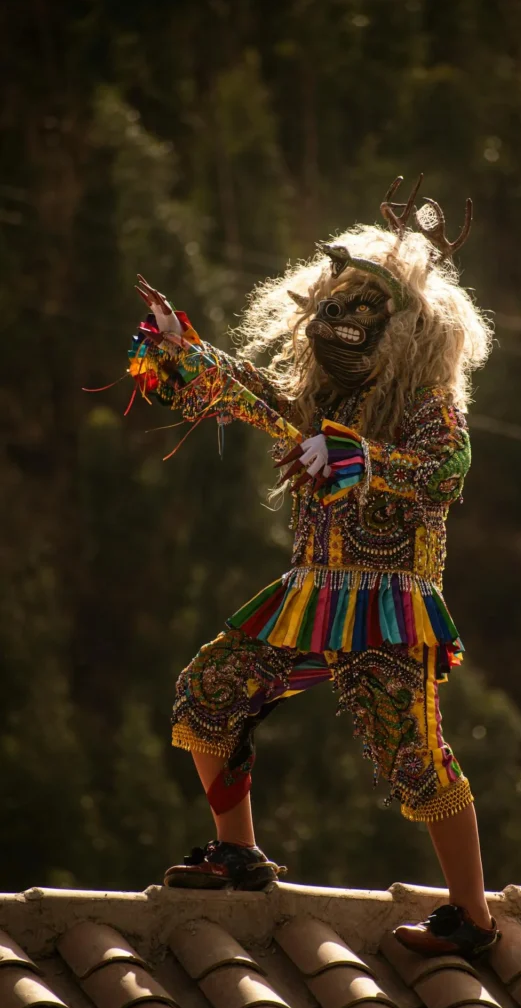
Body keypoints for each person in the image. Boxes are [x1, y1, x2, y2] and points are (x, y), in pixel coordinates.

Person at [127, 176, 498, 958]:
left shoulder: (430, 406)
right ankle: (238, 853)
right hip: (309, 594)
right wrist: (183, 351)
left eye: (365, 307)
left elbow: (445, 471)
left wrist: (364, 457)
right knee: (209, 691)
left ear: (407, 329)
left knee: (414, 758)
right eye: (337, 303)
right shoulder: (322, 399)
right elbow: (256, 395)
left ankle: (473, 917)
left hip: (391, 603)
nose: (341, 320)